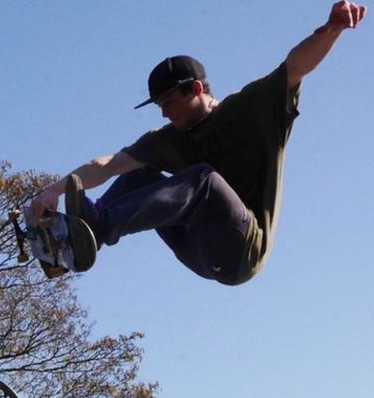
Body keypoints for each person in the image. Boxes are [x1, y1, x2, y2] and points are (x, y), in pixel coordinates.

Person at [28, 1, 366, 286]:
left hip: (241, 249)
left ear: (197, 90)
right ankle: (72, 245)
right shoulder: (168, 140)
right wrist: (51, 193)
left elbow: (294, 68)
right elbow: (108, 165)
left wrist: (332, 28)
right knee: (136, 176)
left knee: (202, 178)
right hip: (196, 249)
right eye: (160, 107)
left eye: (169, 103)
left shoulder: (250, 109)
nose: (164, 114)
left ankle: (98, 223)